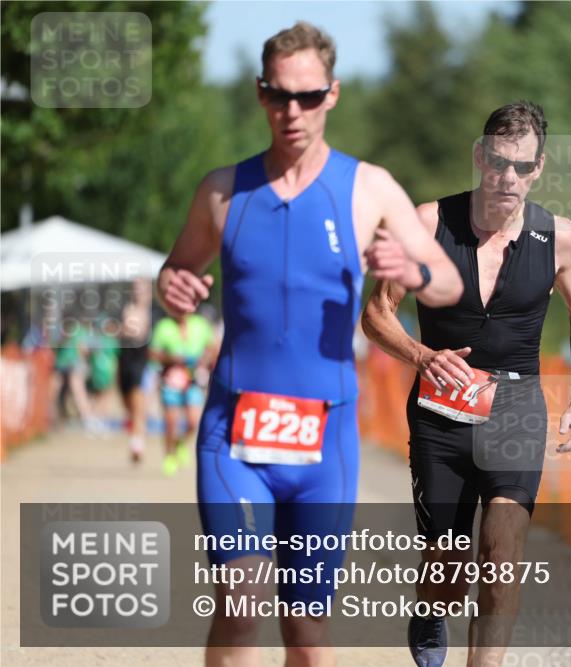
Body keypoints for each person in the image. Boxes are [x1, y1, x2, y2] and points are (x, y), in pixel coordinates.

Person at [155, 21, 461, 667]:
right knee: (239, 603)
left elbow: (449, 282)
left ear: (333, 95)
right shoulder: (221, 190)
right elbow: (176, 269)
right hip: (233, 433)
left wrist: (414, 272)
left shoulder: (369, 188)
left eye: (309, 96)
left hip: (327, 441)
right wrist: (172, 288)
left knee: (306, 634)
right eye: (278, 96)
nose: (292, 111)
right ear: (261, 93)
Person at [362, 101, 571, 667]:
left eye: (521, 167)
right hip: (440, 414)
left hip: (517, 407)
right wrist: (422, 355)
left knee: (502, 552)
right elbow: (376, 314)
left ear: (539, 167)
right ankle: (431, 608)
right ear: (479, 155)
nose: (507, 178)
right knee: (445, 567)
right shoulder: (427, 224)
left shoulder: (559, 238)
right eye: (497, 162)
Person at [149, 310, 216, 476]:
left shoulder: (201, 324)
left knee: (193, 422)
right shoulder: (164, 326)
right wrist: (172, 358)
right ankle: (169, 455)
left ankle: (181, 443)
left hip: (193, 380)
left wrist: (203, 362)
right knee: (171, 423)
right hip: (171, 380)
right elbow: (153, 353)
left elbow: (212, 348)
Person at [119, 279, 153, 462]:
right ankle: (136, 436)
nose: (138, 291)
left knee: (138, 401)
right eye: (136, 288)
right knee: (127, 403)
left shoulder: (153, 312)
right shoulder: (125, 309)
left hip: (143, 360)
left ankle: (137, 442)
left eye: (142, 288)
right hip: (126, 357)